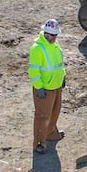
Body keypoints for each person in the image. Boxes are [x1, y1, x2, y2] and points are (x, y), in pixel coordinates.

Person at [28, 17, 65, 151]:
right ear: (45, 33)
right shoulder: (37, 49)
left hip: (56, 85)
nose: (54, 37)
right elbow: (33, 70)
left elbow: (59, 63)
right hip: (45, 88)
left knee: (55, 111)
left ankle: (51, 134)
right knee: (42, 116)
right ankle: (40, 143)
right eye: (52, 35)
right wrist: (39, 87)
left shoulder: (55, 45)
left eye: (56, 35)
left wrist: (63, 76)